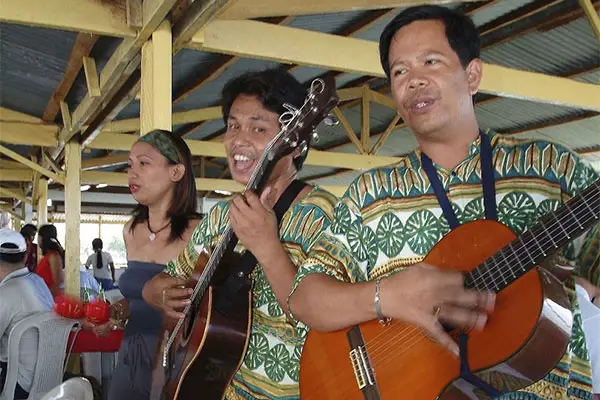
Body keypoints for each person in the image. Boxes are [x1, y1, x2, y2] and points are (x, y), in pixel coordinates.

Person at [288, 5, 599, 399]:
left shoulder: (554, 169)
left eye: (430, 62)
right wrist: (388, 296)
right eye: (399, 72)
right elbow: (305, 298)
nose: (413, 81)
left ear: (472, 75)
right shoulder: (369, 194)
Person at [141, 68, 338, 399]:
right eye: (233, 126)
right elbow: (160, 282)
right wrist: (159, 293)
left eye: (258, 128)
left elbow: (330, 320)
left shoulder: (325, 215)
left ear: (296, 141)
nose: (238, 140)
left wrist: (267, 247)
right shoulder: (220, 215)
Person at [89, 129, 201, 400]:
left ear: (176, 172)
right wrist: (113, 314)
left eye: (144, 163)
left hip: (175, 363)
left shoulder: (200, 232)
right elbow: (139, 299)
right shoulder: (132, 230)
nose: (132, 172)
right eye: (130, 164)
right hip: (131, 355)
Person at [0, 228, 53, 399]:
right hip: (48, 379)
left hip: (18, 385)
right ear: (24, 257)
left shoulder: (5, 292)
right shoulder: (39, 282)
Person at [35, 224, 64, 297]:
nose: (37, 239)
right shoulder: (48, 256)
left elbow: (58, 281)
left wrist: (46, 297)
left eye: (38, 236)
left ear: (43, 238)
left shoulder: (53, 256)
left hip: (50, 299)